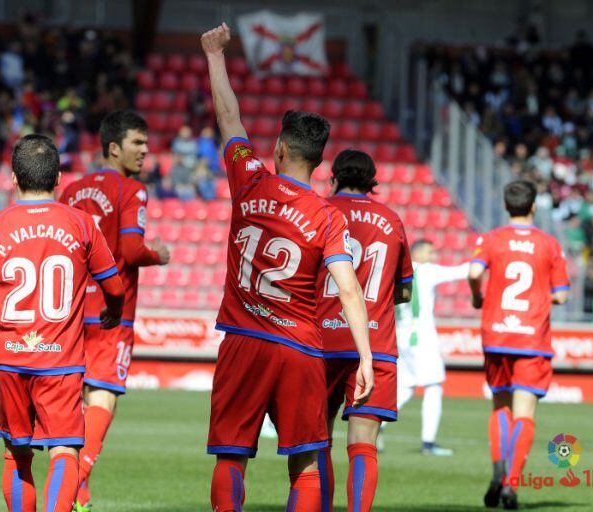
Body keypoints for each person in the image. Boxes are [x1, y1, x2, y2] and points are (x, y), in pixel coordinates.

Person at [201, 23, 374, 512]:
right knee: (306, 462)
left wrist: (215, 55)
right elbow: (348, 291)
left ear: (278, 150)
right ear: (320, 164)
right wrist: (364, 357)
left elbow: (228, 117)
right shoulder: (327, 215)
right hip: (300, 348)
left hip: (244, 340)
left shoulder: (249, 179)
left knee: (232, 458)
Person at [0, 134, 125, 512]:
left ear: (14, 180)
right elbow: (113, 285)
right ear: (58, 181)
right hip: (61, 363)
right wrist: (114, 310)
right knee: (65, 450)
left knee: (16, 455)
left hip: (9, 360)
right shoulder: (82, 224)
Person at [59, 110, 171, 511]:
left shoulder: (71, 191)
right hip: (111, 311)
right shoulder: (132, 190)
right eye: (137, 143)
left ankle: (80, 496)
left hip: (71, 311)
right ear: (113, 148)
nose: (145, 151)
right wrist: (158, 255)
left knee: (75, 404)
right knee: (102, 394)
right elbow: (129, 251)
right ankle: (74, 484)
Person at [317, 150, 413, 512]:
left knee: (317, 440)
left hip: (321, 341)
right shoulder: (392, 219)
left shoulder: (319, 209)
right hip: (376, 343)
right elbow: (404, 290)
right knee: (363, 443)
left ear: (334, 176)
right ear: (372, 181)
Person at [468, 180, 569, 509]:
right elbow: (563, 294)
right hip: (532, 339)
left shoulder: (492, 238)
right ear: (534, 206)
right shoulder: (549, 244)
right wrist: (545, 294)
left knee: (500, 406)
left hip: (496, 335)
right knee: (525, 412)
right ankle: (511, 483)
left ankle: (497, 468)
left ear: (506, 205)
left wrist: (477, 296)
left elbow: (473, 271)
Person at [390, 240, 470, 456]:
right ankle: (428, 443)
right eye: (430, 251)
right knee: (433, 386)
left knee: (406, 387)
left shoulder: (397, 272)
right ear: (417, 253)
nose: (434, 255)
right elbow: (464, 271)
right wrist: (485, 254)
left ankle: (375, 425)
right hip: (421, 337)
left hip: (402, 337)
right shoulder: (426, 271)